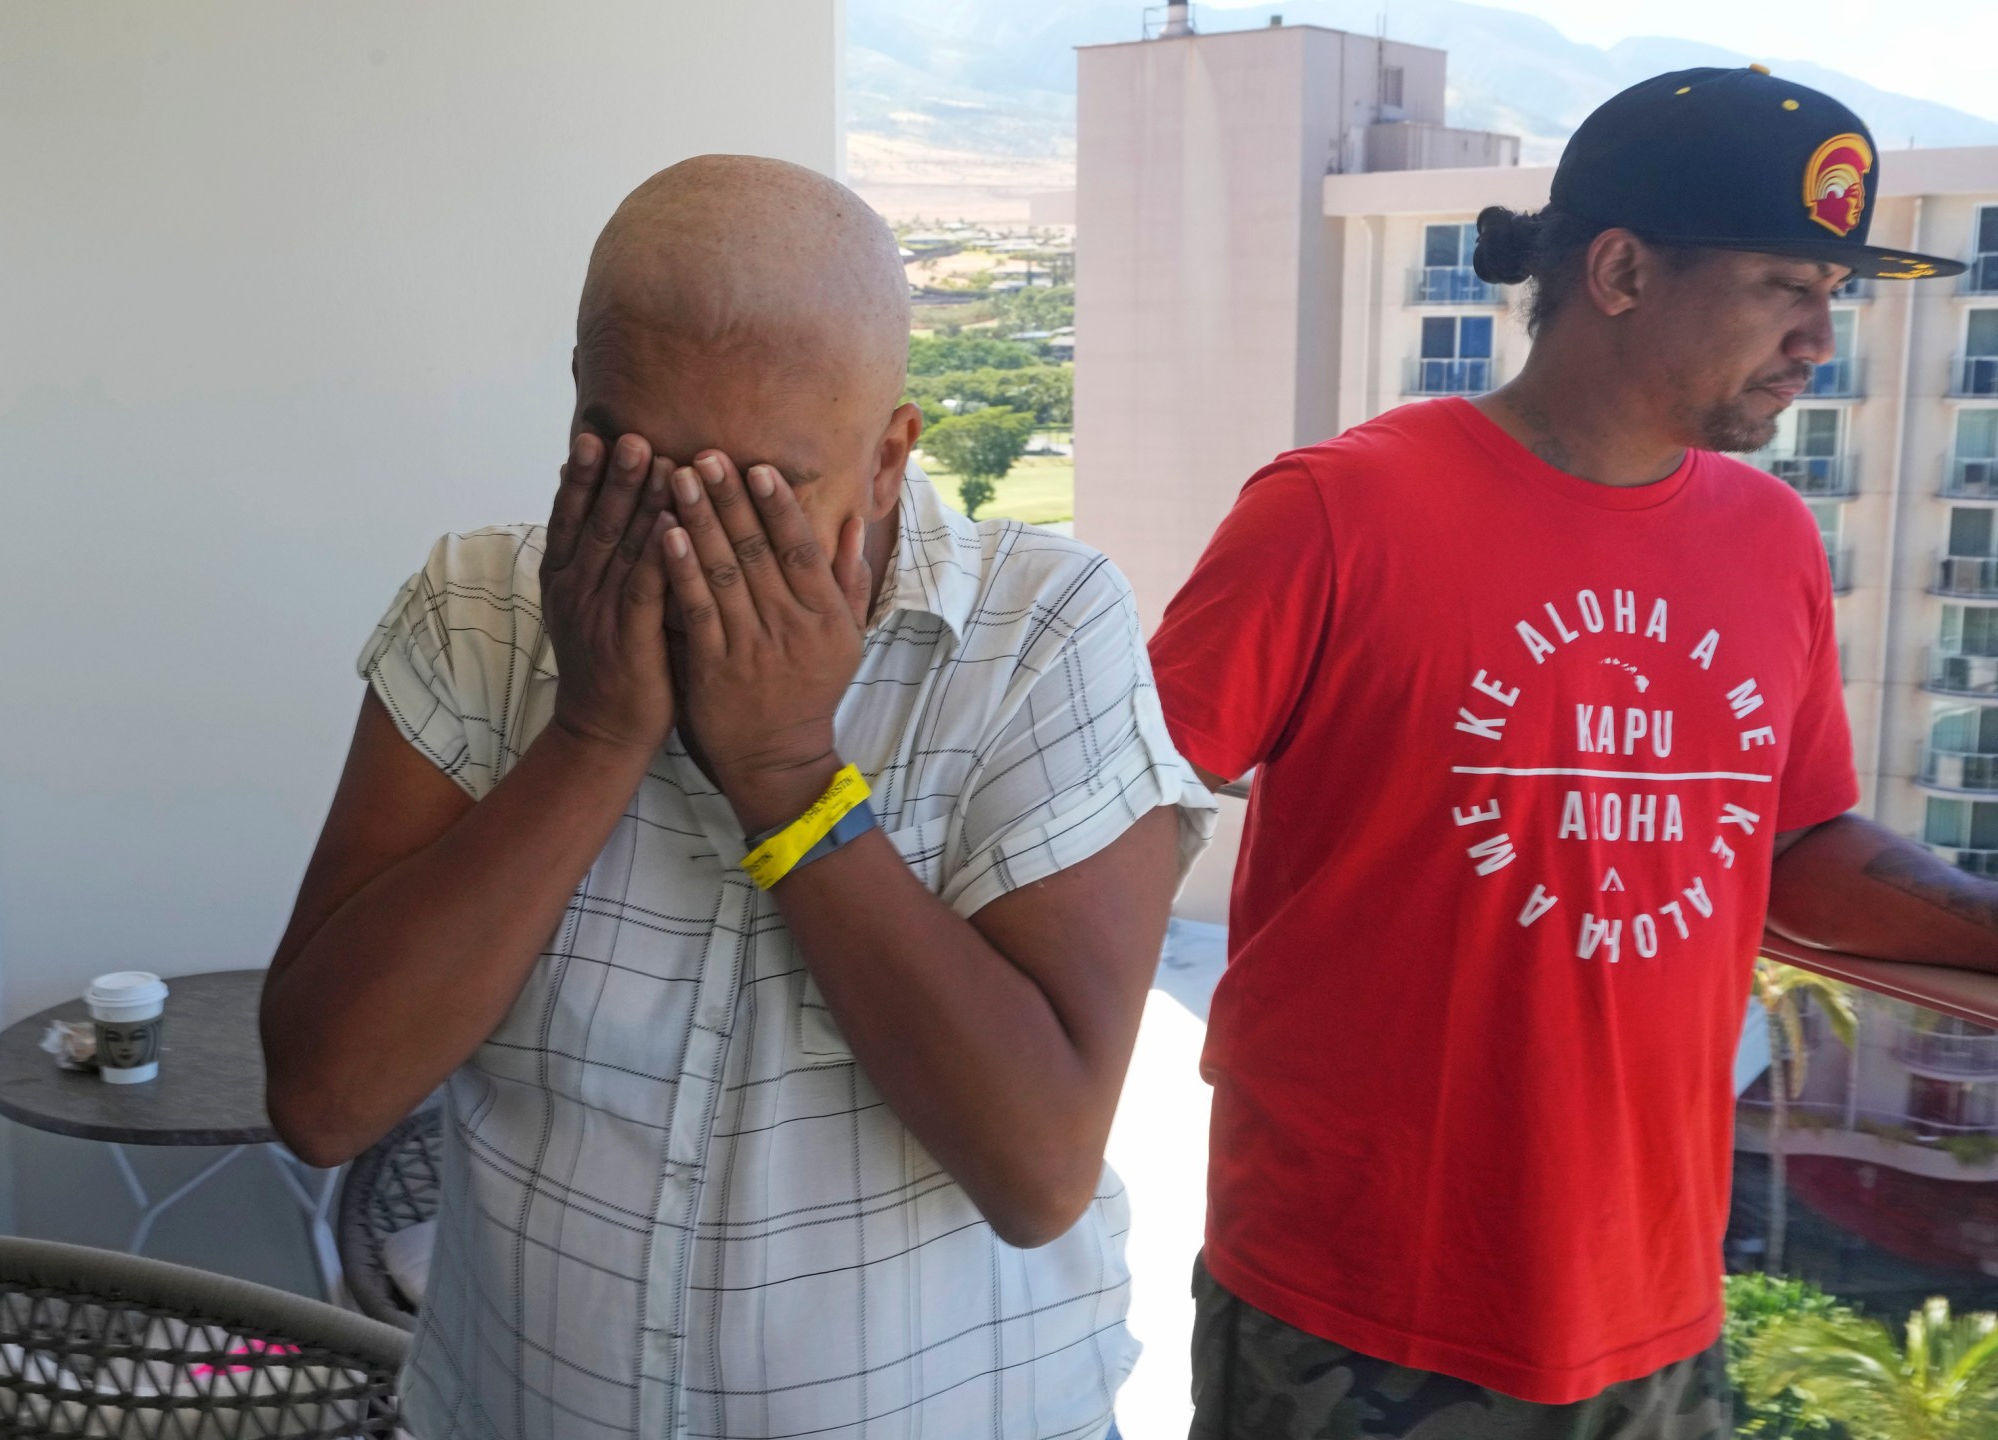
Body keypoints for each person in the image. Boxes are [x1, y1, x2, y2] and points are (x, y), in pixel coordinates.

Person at [261, 154, 1213, 1440]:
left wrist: (787, 780)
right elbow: (325, 1099)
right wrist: (592, 732)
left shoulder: (1037, 631)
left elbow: (1036, 1169)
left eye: (766, 494)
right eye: (633, 471)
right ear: (576, 417)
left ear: (888, 458)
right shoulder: (479, 612)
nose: (685, 546)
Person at [1149, 67, 1988, 1439]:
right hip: (1357, 1311)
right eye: (1786, 284)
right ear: (1617, 271)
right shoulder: (1337, 514)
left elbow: (1795, 851)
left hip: (1653, 1310)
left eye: (1835, 294)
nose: (1818, 340)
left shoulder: (1770, 541)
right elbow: (1116, 809)